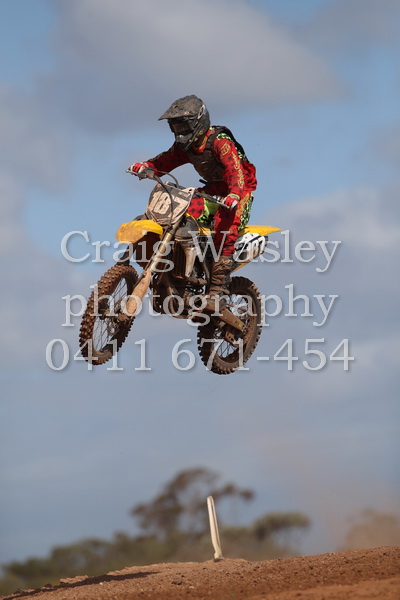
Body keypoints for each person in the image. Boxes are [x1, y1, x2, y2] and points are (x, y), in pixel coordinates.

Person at [128, 95, 257, 311]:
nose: (179, 131)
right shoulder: (185, 146)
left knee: (225, 228)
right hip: (212, 190)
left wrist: (234, 194)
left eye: (183, 126)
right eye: (175, 126)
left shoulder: (220, 142)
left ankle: (218, 291)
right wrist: (147, 166)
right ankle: (181, 271)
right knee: (178, 214)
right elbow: (166, 160)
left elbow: (235, 171)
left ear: (198, 122)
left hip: (238, 191)